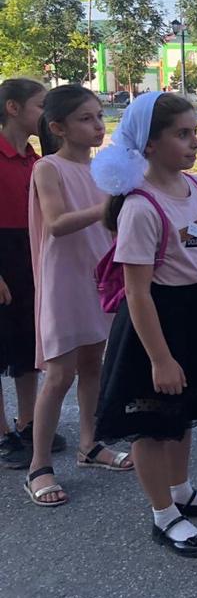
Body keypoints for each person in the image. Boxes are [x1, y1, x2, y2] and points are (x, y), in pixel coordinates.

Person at [92, 92, 197, 558]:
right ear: (149, 145)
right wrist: (159, 358)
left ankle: (182, 491)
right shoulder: (140, 207)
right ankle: (164, 514)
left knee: (183, 412)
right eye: (182, 134)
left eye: (195, 132)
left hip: (191, 311)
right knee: (151, 424)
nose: (195, 142)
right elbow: (137, 292)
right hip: (152, 323)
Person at [23, 86, 129, 507]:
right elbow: (56, 222)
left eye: (99, 116)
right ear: (58, 128)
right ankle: (39, 465)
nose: (98, 125)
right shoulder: (47, 167)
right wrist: (109, 207)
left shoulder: (105, 168)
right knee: (59, 374)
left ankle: (90, 444)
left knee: (93, 364)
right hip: (64, 279)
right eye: (86, 118)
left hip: (99, 276)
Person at [0, 78, 67, 471]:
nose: (46, 114)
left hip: (30, 250)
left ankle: (27, 422)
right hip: (3, 254)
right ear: (13, 107)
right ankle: (2, 434)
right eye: (41, 106)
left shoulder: (35, 158)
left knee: (28, 343)